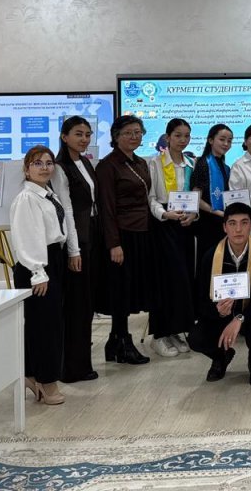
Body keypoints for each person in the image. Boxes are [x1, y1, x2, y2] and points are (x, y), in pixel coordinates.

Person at [10, 145, 73, 405]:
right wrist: (38, 272)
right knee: (45, 327)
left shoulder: (48, 194)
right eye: (37, 163)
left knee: (48, 323)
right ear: (26, 169)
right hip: (36, 265)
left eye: (48, 163)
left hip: (52, 259)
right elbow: (27, 237)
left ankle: (33, 374)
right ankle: (47, 382)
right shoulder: (27, 198)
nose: (44, 168)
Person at [189, 203, 251, 387]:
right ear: (224, 227)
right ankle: (221, 357)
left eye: (244, 223)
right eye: (232, 223)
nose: (238, 229)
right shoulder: (211, 256)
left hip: (250, 315)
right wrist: (217, 311)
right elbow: (200, 299)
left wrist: (240, 318)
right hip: (221, 314)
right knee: (196, 338)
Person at [95, 115, 153, 366]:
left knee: (129, 291)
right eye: (128, 133)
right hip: (121, 235)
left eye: (138, 132)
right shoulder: (108, 166)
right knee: (120, 291)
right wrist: (113, 243)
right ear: (116, 136)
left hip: (141, 232)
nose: (134, 137)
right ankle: (122, 341)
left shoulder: (140, 162)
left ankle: (114, 341)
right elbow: (106, 208)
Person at [146, 117, 198, 358]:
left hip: (185, 225)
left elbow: (195, 196)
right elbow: (150, 198)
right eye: (178, 135)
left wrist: (193, 215)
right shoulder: (155, 163)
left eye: (186, 136)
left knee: (183, 280)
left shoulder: (191, 164)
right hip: (164, 226)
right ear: (167, 137)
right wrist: (165, 214)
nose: (182, 140)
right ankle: (159, 335)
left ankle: (176, 330)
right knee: (165, 280)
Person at [54, 116, 99, 383]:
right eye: (78, 134)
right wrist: (74, 250)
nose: (84, 139)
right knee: (75, 306)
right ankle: (70, 368)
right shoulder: (60, 168)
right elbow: (67, 211)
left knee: (86, 305)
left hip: (90, 237)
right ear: (64, 137)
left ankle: (82, 363)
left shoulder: (85, 162)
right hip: (76, 242)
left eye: (88, 134)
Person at [191, 123, 235, 278]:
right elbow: (196, 197)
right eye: (222, 139)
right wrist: (215, 211)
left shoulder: (225, 167)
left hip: (221, 221)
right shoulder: (203, 163)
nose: (226, 144)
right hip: (207, 223)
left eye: (229, 141)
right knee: (208, 264)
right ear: (210, 140)